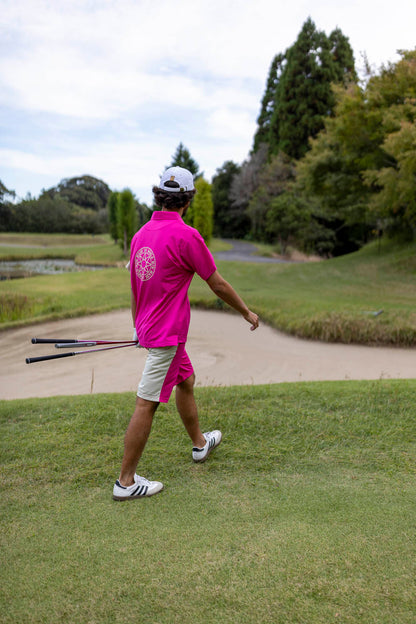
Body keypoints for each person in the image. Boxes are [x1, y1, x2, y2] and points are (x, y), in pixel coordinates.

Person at [113, 166, 259, 501]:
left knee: (186, 381)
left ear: (159, 196)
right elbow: (217, 283)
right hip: (166, 336)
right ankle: (125, 482)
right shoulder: (187, 236)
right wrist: (246, 312)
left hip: (156, 331)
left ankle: (199, 444)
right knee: (145, 404)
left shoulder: (139, 235)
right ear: (188, 201)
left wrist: (138, 326)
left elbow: (136, 288)